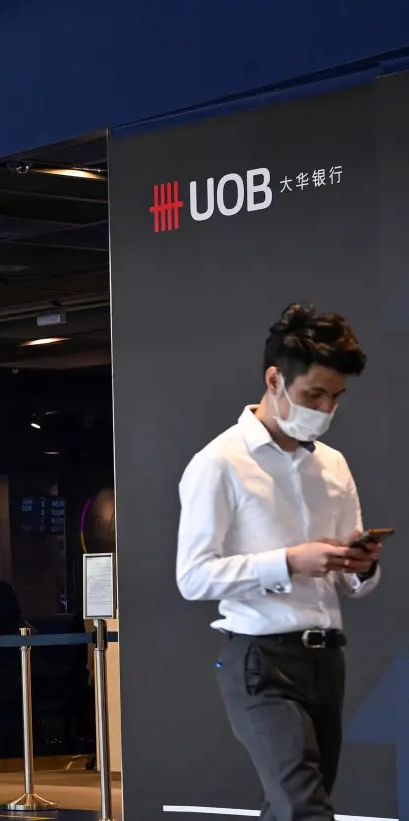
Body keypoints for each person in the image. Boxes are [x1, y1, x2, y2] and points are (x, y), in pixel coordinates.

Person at [176, 304, 384, 821]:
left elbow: (351, 584)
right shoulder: (217, 463)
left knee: (294, 806)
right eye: (315, 394)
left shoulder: (332, 463)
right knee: (302, 807)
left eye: (336, 397)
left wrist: (359, 566)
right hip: (258, 660)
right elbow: (193, 576)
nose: (326, 408)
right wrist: (288, 562)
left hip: (326, 659)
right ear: (275, 379)